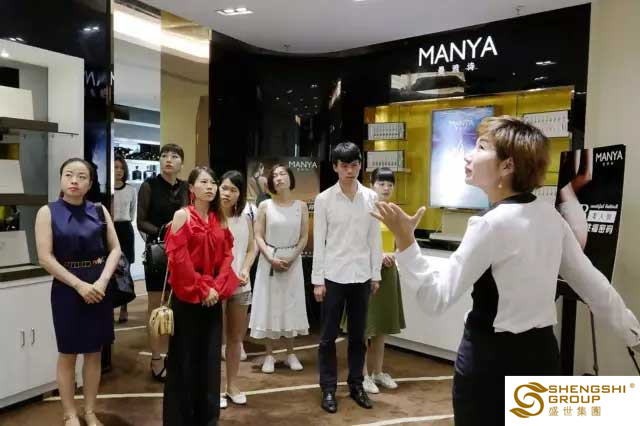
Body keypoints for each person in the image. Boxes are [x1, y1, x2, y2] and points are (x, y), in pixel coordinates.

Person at [372, 116, 640, 426]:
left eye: (481, 147)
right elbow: (595, 287)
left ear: (507, 165)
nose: (468, 155)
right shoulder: (551, 217)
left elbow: (435, 299)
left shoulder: (489, 225)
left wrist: (405, 240)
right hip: (542, 356)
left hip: (491, 363)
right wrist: (633, 334)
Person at [35, 158, 121, 426]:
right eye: (69, 175)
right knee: (68, 352)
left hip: (99, 286)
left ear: (90, 183)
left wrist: (102, 281)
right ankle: (69, 413)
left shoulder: (99, 210)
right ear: (61, 179)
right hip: (67, 287)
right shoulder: (47, 212)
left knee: (94, 352)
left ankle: (90, 410)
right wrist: (79, 285)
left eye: (82, 176)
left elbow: (115, 249)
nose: (74, 180)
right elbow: (45, 258)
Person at [163, 166, 239, 426]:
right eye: (204, 182)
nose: (210, 187)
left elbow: (228, 256)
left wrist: (216, 287)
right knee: (184, 361)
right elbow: (178, 260)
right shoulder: (182, 216)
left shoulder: (220, 218)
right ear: (191, 188)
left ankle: (208, 419)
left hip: (213, 298)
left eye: (213, 182)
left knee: (209, 361)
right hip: (187, 299)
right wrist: (203, 288)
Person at [312, 142, 382, 414]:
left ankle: (356, 384)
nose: (350, 171)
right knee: (327, 337)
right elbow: (319, 241)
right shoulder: (324, 199)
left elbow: (374, 239)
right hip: (333, 275)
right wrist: (318, 280)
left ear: (360, 165)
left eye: (354, 165)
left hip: (361, 275)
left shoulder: (371, 197)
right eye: (344, 166)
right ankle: (328, 388)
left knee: (358, 336)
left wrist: (375, 274)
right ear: (335, 167)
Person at [249, 164, 310, 373]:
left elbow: (304, 237)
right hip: (269, 260)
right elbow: (258, 235)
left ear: (290, 178)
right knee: (270, 304)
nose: (279, 178)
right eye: (274, 175)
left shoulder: (301, 206)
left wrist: (292, 257)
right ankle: (269, 355)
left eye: (283, 174)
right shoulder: (265, 206)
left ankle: (291, 353)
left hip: (293, 260)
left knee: (291, 304)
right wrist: (270, 257)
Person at [136, 144, 188, 382]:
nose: (168, 159)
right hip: (158, 252)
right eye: (164, 155)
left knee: (179, 306)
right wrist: (164, 232)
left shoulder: (186, 187)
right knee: (156, 307)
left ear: (181, 163)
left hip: (184, 254)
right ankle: (156, 358)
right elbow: (141, 221)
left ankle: (175, 356)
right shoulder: (149, 186)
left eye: (174, 156)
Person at [356, 167, 406, 394]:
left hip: (389, 272)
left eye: (390, 184)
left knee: (381, 327)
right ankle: (362, 375)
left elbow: (402, 241)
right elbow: (358, 243)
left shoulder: (394, 212)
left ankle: (378, 372)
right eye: (381, 183)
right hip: (367, 273)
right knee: (366, 326)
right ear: (372, 184)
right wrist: (379, 254)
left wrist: (394, 254)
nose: (386, 188)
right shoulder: (365, 210)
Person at [219, 170, 257, 408]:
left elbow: (252, 248)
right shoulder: (210, 217)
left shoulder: (245, 216)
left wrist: (245, 269)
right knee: (214, 339)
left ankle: (232, 386)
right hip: (215, 288)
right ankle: (213, 389)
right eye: (224, 188)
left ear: (240, 194)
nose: (227, 193)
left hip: (241, 285)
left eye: (233, 190)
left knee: (235, 339)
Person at [112, 155, 137, 323]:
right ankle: (109, 305)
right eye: (115, 167)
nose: (119, 171)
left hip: (125, 229)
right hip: (110, 228)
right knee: (109, 268)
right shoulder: (107, 189)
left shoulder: (131, 190)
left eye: (121, 168)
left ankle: (124, 307)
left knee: (125, 269)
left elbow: (132, 213)